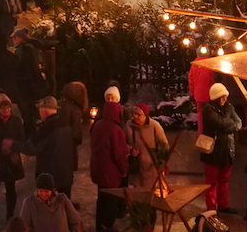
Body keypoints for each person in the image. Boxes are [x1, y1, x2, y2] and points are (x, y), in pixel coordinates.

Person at [20, 96, 75, 198]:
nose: (39, 114)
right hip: (66, 177)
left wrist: (14, 145)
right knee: (63, 208)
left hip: (50, 178)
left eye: (40, 111)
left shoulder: (46, 129)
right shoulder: (66, 126)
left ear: (45, 111)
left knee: (49, 209)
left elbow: (32, 148)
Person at [201, 82, 242, 214]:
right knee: (212, 182)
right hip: (213, 151)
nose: (224, 99)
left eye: (225, 96)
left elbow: (239, 123)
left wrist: (228, 124)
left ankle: (224, 205)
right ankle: (211, 209)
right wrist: (230, 124)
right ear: (215, 97)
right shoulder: (208, 109)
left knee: (224, 179)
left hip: (227, 150)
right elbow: (219, 123)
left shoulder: (229, 107)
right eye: (222, 97)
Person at [90, 101, 130, 232]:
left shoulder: (98, 125)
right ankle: (107, 227)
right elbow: (119, 154)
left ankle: (99, 227)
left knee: (101, 200)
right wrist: (124, 170)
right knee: (110, 203)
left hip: (98, 171)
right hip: (110, 174)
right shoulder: (115, 130)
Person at [0, 93, 24, 226]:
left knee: (11, 189)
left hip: (11, 161)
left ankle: (10, 216)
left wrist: (12, 147)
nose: (6, 110)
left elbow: (21, 139)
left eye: (8, 107)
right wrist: (0, 146)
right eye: (3, 108)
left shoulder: (16, 121)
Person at [125, 103, 168, 189]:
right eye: (134, 113)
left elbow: (164, 147)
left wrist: (162, 165)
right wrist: (130, 150)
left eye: (139, 114)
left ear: (145, 116)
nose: (135, 116)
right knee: (137, 196)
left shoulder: (155, 126)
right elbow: (121, 143)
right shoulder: (129, 125)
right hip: (136, 169)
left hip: (151, 170)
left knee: (151, 195)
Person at [12, 29, 46, 136]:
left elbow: (25, 69)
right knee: (31, 111)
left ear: (20, 38)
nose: (13, 40)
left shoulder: (24, 50)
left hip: (26, 86)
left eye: (14, 38)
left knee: (28, 111)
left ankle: (30, 134)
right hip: (30, 85)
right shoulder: (27, 49)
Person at [58, 81, 87, 191]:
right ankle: (65, 202)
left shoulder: (57, 104)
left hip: (55, 145)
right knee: (66, 176)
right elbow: (76, 134)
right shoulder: (75, 110)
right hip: (68, 147)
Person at [188, 55, 215, 134]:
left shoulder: (194, 65)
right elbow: (213, 80)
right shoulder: (209, 64)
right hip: (209, 95)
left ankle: (201, 132)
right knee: (211, 114)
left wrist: (192, 93)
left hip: (198, 95)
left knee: (200, 115)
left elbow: (191, 81)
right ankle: (210, 133)